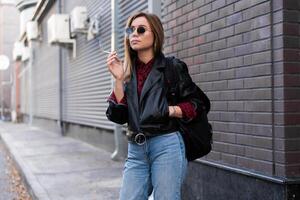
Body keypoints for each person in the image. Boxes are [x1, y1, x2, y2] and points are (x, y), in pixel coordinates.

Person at [106, 12, 206, 200]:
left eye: (141, 29)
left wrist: (169, 110)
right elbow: (118, 116)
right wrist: (119, 80)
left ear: (155, 35)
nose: (134, 34)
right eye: (131, 30)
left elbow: (198, 105)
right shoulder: (127, 73)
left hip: (166, 144)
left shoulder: (172, 67)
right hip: (136, 149)